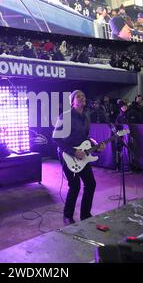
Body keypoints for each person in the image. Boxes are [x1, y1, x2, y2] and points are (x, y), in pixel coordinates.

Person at [52, 90, 105, 225]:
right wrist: (73, 152)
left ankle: (85, 214)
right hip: (67, 155)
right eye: (79, 96)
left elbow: (85, 138)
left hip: (82, 155)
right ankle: (67, 215)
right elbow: (56, 138)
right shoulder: (65, 116)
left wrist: (95, 146)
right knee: (74, 186)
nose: (82, 98)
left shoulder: (86, 117)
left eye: (84, 96)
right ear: (72, 101)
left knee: (90, 184)